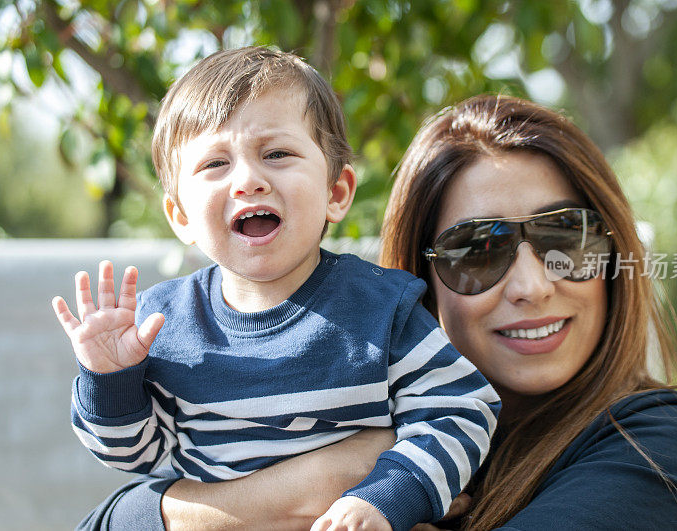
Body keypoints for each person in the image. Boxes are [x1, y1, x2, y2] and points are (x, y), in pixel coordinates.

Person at [51, 47, 501, 531]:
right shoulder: (162, 324)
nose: (248, 181)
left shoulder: (380, 307)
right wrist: (110, 379)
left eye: (277, 154)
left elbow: (461, 411)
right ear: (180, 215)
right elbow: (137, 456)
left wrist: (389, 497)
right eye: (215, 164)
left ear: (336, 192)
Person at [380, 94, 677, 530]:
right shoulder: (369, 442)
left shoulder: (664, 450)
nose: (533, 287)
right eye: (478, 250)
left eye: (566, 236)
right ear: (421, 286)